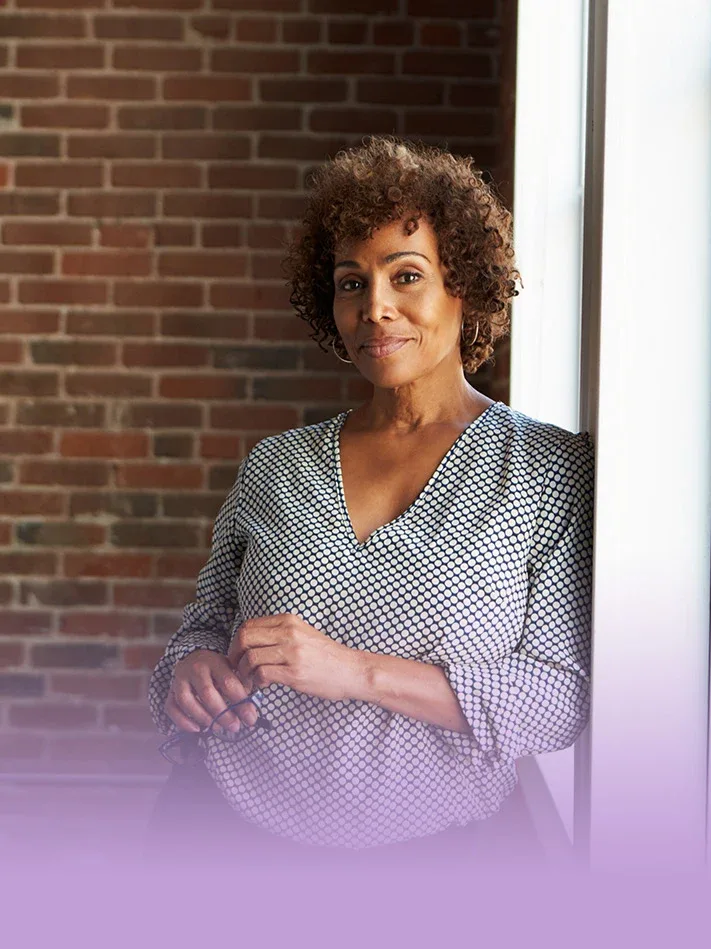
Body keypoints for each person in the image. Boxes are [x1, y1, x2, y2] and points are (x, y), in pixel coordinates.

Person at [144, 135, 596, 873]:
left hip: (430, 869)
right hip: (216, 837)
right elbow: (201, 626)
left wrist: (351, 670)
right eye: (352, 283)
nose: (374, 307)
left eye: (405, 275)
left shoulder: (545, 472)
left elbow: (556, 696)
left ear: (465, 286)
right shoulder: (277, 465)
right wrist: (190, 666)